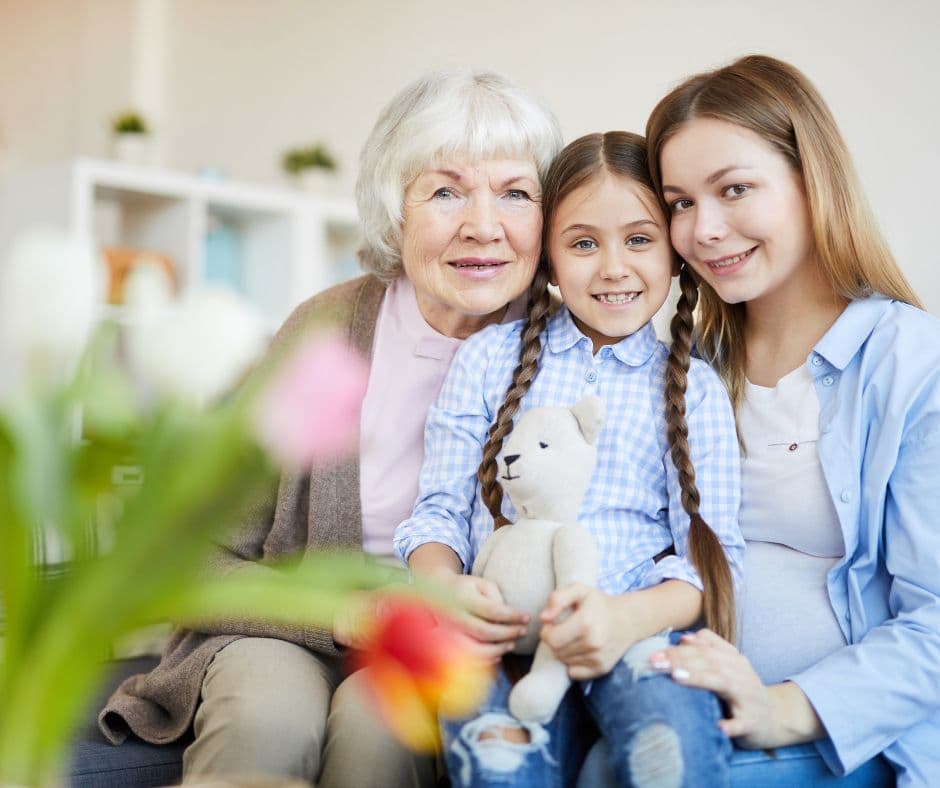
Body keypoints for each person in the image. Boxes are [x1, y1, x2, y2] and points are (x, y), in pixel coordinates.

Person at [97, 69, 562, 787]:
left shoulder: (572, 348)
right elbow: (198, 556)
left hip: (451, 645)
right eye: (444, 191)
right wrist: (348, 614)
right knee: (265, 722)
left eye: (515, 192)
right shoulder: (328, 332)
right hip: (288, 619)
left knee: (377, 735)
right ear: (394, 211)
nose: (482, 224)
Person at [580, 54, 940, 788]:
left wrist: (784, 706)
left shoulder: (912, 362)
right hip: (671, 698)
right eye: (679, 203)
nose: (704, 230)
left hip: (830, 732)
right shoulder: (688, 366)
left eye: (735, 189)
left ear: (814, 182)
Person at [394, 131, 746, 787]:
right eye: (584, 244)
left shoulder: (693, 390)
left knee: (669, 749)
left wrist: (626, 618)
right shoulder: (487, 361)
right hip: (501, 642)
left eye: (639, 240)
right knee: (497, 762)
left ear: (674, 255)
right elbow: (437, 512)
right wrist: (445, 588)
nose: (612, 267)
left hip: (631, 627)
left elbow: (712, 555)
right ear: (550, 260)